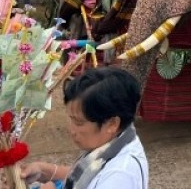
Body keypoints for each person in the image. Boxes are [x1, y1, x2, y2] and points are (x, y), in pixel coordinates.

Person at [16, 67, 148, 189]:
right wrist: (43, 170)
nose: (71, 130)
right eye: (71, 119)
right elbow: (85, 175)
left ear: (112, 124)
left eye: (79, 122)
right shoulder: (115, 145)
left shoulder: (119, 176)